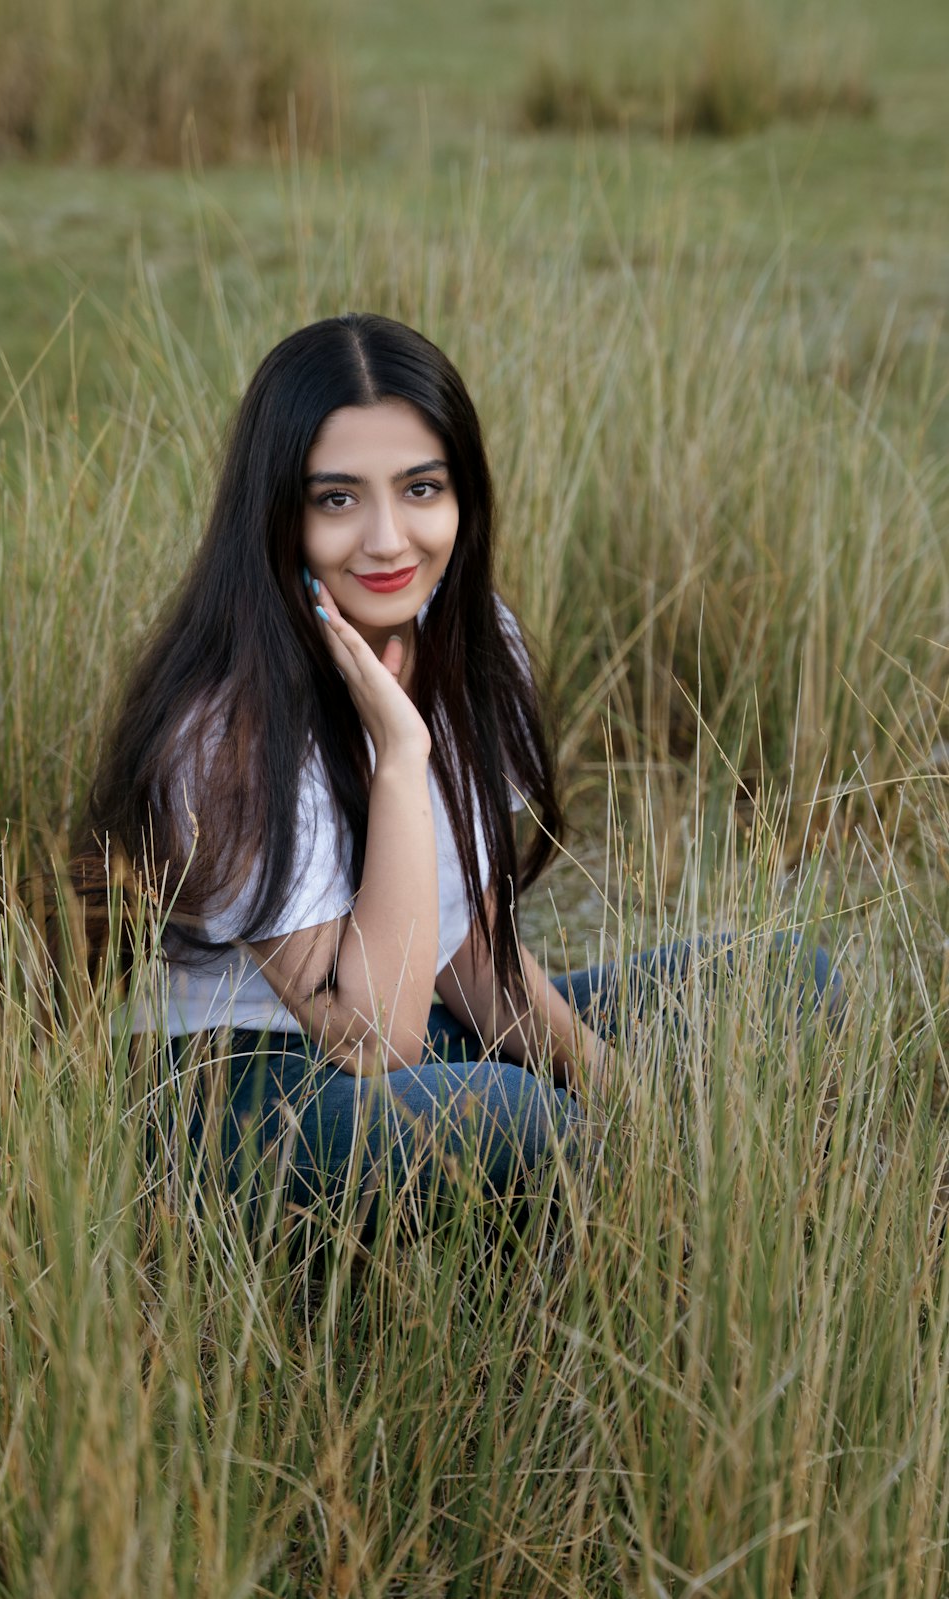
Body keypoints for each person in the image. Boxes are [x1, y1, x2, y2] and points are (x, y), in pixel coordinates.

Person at [75, 312, 838, 1232]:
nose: (390, 542)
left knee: (787, 979)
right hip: (244, 1087)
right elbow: (368, 1038)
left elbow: (470, 948)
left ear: (462, 496)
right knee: (526, 1123)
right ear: (275, 515)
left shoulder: (476, 639)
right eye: (338, 499)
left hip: (422, 1032)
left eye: (421, 489)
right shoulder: (228, 731)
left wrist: (631, 1104)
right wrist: (400, 759)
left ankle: (580, 1149)